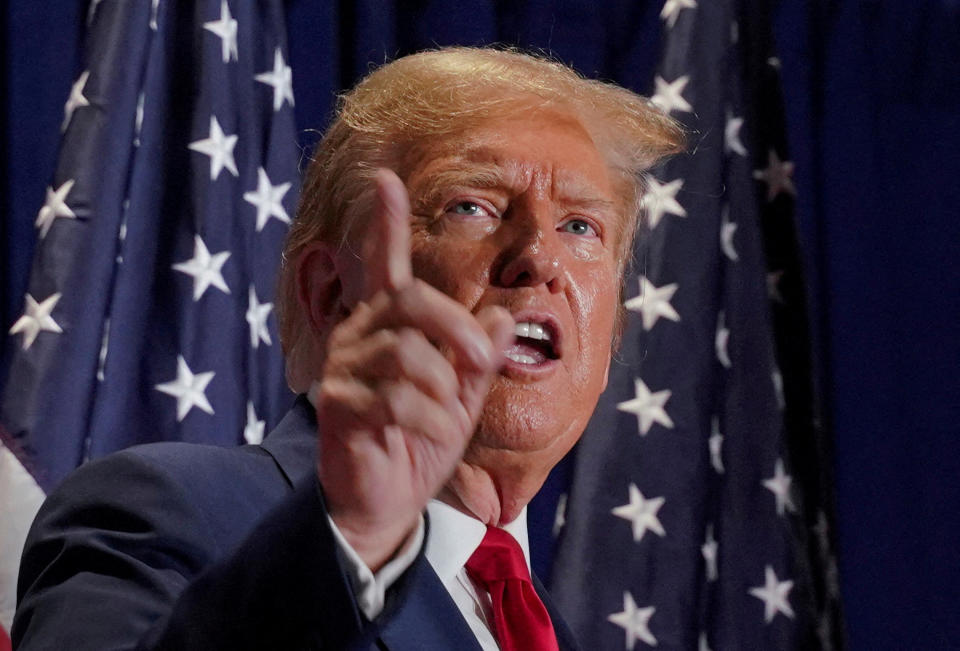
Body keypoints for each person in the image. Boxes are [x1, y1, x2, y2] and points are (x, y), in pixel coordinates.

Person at [12, 47, 683, 650]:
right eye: (471, 206)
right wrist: (350, 537)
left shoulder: (545, 629)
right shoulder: (162, 510)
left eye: (579, 224)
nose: (538, 255)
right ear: (331, 295)